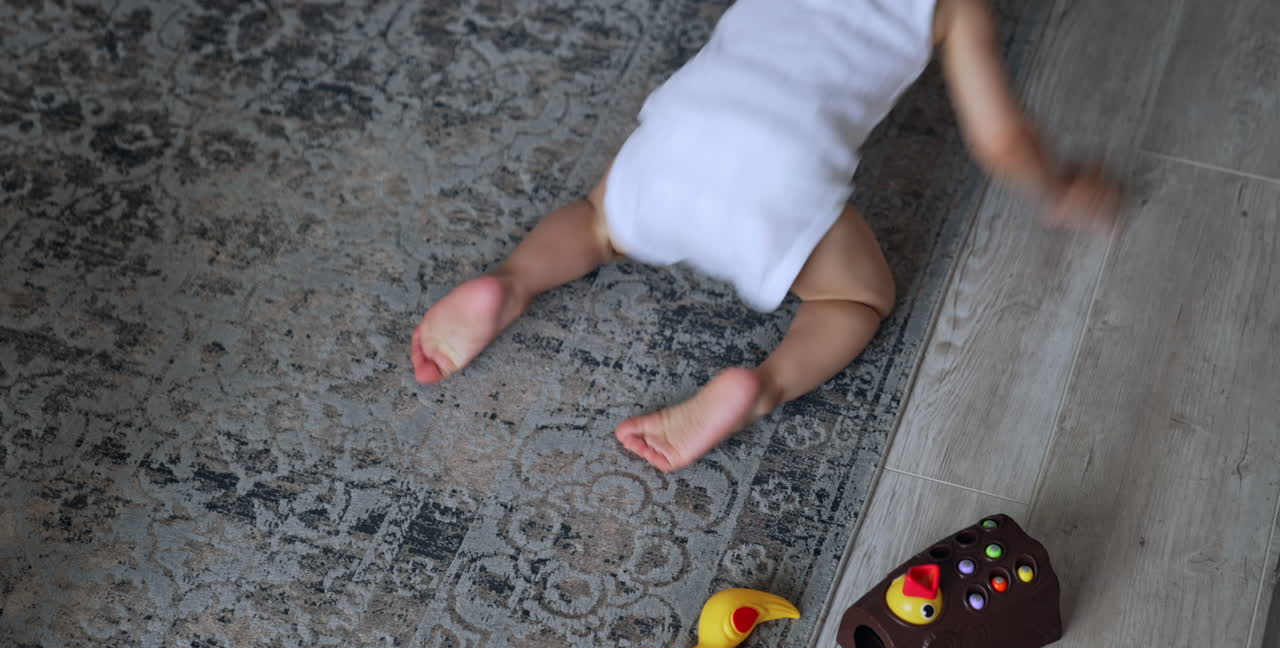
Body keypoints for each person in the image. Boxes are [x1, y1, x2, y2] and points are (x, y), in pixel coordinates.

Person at [409, 0, 1121, 473]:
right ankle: (761, 387)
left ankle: (511, 283)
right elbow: (1001, 141)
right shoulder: (954, 7)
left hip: (684, 128)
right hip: (780, 179)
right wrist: (1057, 188)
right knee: (856, 300)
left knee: (598, 221)